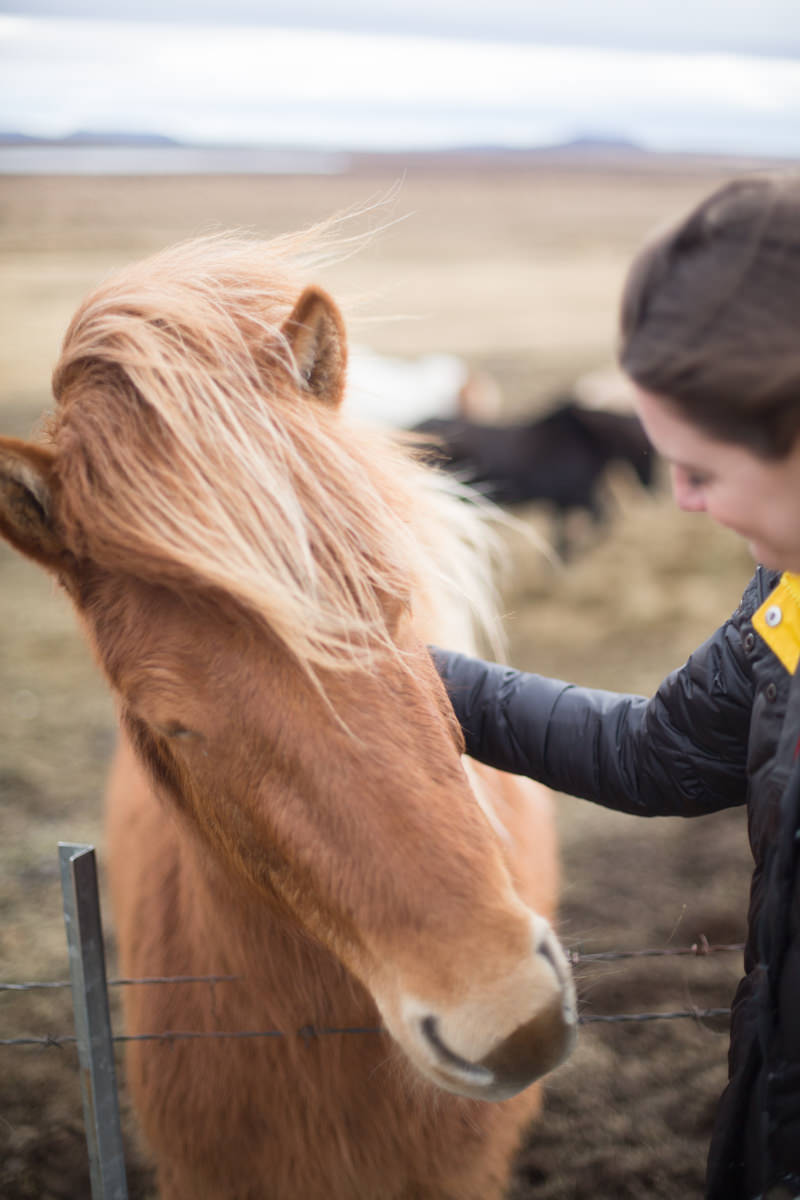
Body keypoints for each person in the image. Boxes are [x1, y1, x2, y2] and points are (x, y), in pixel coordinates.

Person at [431, 174, 800, 1200]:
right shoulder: (789, 601)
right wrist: (414, 679)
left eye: (700, 469)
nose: (677, 501)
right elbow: (659, 753)